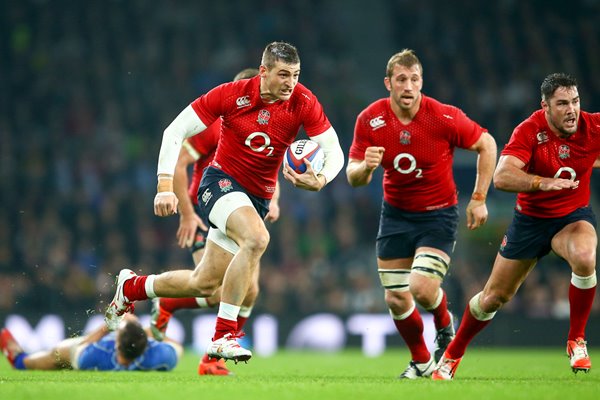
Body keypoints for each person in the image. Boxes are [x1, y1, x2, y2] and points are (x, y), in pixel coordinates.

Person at [105, 41, 345, 365]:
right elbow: (174, 131)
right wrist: (165, 186)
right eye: (284, 74)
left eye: (296, 75)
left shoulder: (303, 101)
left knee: (203, 283)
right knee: (257, 238)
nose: (291, 82)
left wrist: (322, 179)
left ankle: (131, 287)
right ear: (264, 72)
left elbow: (334, 150)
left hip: (256, 199)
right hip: (219, 185)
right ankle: (223, 337)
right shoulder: (231, 95)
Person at [432, 73, 600, 380]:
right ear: (546, 106)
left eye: (575, 102)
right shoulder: (529, 130)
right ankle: (453, 352)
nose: (572, 110)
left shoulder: (593, 127)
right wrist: (541, 182)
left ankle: (576, 339)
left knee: (586, 258)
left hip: (572, 218)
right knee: (493, 298)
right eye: (562, 103)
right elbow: (502, 176)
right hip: (531, 223)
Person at [346, 49, 497, 379]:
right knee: (396, 299)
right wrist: (366, 168)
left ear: (421, 83)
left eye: (414, 79)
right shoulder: (369, 119)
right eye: (401, 79)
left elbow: (487, 144)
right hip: (395, 215)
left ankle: (444, 323)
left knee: (422, 288)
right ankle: (422, 361)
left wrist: (479, 197)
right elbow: (353, 176)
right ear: (389, 83)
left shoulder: (443, 117)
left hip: (437, 216)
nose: (408, 86)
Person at [150, 67, 280, 376]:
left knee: (250, 290)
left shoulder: (270, 124)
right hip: (210, 208)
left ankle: (214, 360)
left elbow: (269, 165)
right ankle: (167, 302)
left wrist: (273, 200)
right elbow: (181, 163)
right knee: (212, 292)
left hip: (246, 208)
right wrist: (186, 213)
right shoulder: (215, 126)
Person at [0, 313, 182, 371]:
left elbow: (81, 347)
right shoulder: (160, 356)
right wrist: (149, 331)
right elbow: (177, 347)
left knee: (59, 352)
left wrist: (105, 327)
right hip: (137, 342)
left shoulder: (97, 354)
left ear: (116, 343)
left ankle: (20, 361)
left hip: (96, 352)